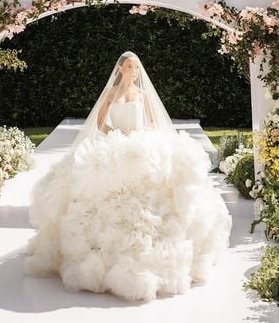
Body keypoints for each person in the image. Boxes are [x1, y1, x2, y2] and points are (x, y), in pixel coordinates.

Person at [25, 52, 231, 302]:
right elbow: (100, 123)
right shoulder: (111, 94)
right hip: (117, 142)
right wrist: (116, 132)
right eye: (129, 67)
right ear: (121, 69)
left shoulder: (142, 95)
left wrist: (139, 131)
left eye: (136, 67)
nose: (133, 71)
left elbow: (154, 123)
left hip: (138, 143)